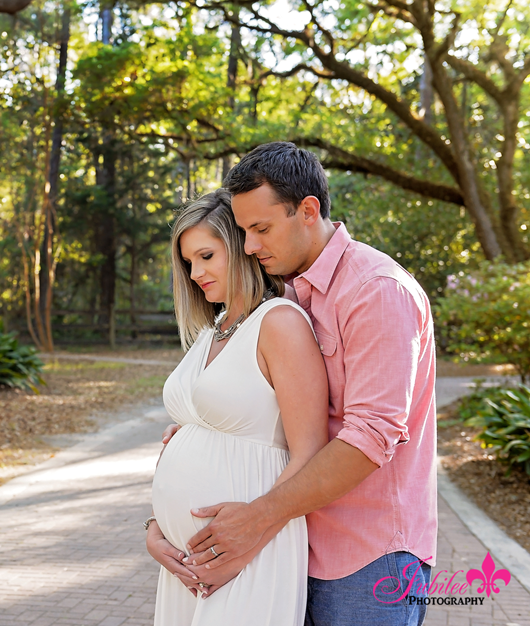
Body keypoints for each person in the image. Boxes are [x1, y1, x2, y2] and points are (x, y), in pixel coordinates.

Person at [173, 142, 437, 625]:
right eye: (244, 231)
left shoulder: (377, 290)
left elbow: (369, 438)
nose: (249, 245)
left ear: (309, 211)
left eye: (261, 229)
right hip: (293, 546)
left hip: (365, 558)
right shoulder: (288, 289)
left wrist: (259, 517)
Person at [145, 189, 329, 625]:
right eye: (189, 263)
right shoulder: (214, 330)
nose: (196, 273)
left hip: (248, 553)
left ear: (242, 247)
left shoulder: (279, 323)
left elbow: (309, 453)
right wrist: (156, 528)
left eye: (207, 256)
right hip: (187, 563)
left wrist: (244, 546)